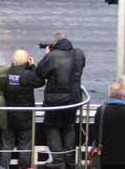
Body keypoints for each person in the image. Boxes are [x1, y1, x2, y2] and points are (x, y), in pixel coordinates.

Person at [36, 32, 86, 169]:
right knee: (69, 127)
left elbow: (40, 72)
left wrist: (47, 54)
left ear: (54, 44)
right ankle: (69, 159)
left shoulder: (52, 56)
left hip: (55, 101)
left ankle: (58, 160)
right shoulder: (79, 54)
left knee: (52, 128)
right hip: (74, 99)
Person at [1, 50, 45, 169]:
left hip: (8, 116)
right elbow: (41, 81)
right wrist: (33, 67)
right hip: (25, 117)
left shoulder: (6, 73)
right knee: (25, 146)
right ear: (26, 61)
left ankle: (3, 167)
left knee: (6, 146)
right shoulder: (27, 75)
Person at [91, 80, 125, 169]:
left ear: (109, 94)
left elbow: (97, 134)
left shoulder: (101, 110)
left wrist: (93, 148)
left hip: (105, 158)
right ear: (123, 95)